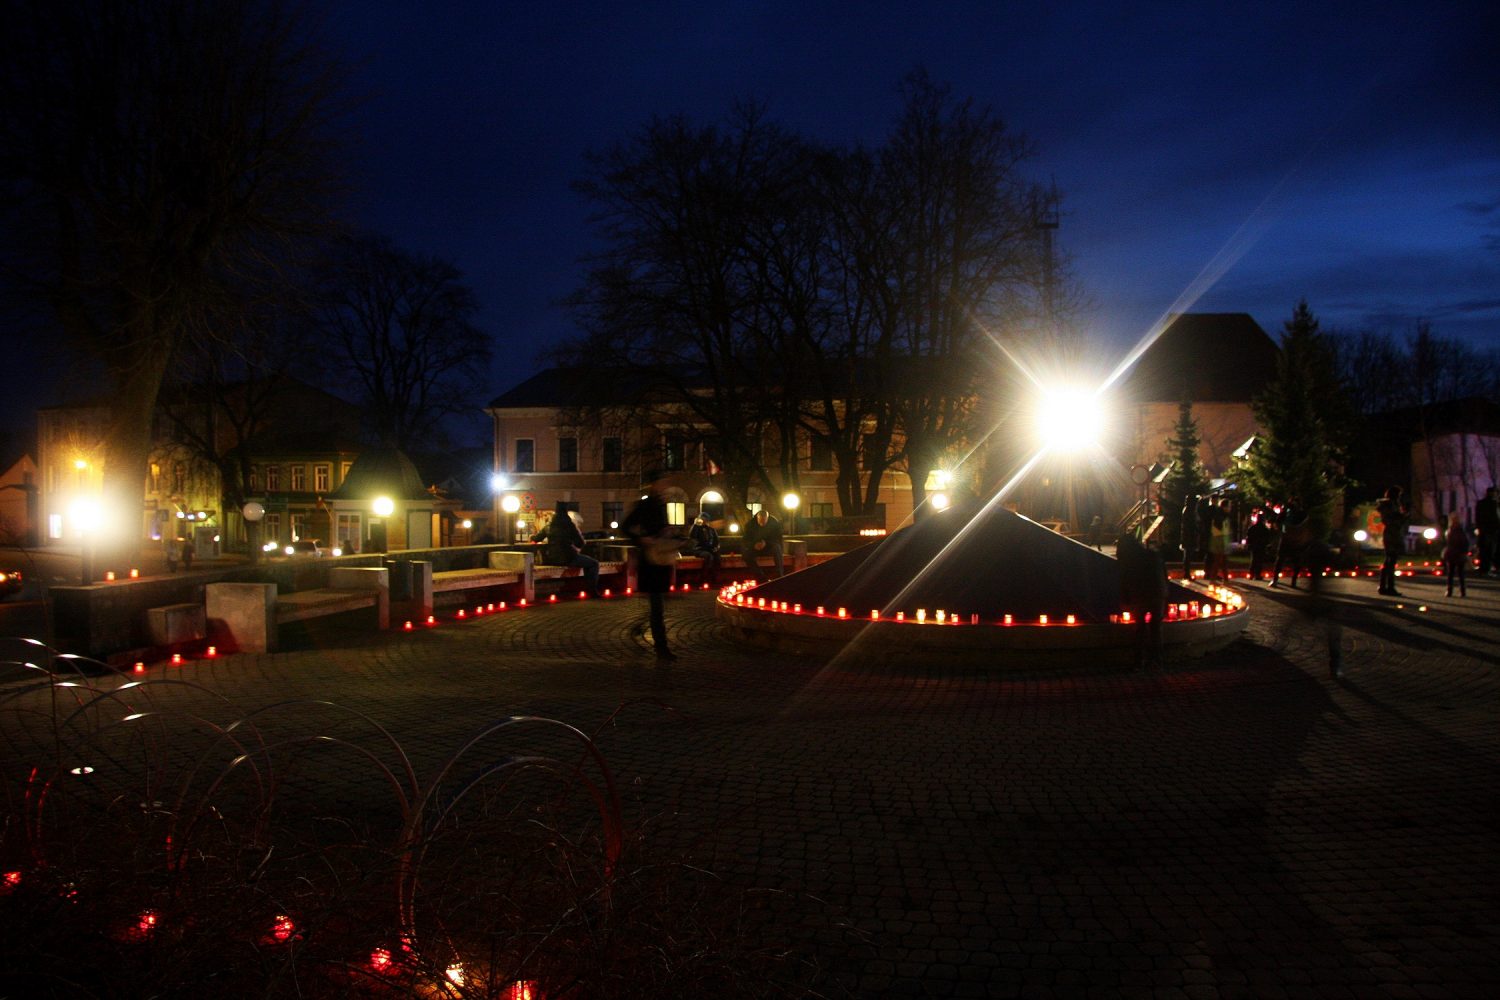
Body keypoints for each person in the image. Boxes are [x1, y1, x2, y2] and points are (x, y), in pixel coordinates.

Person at [622, 472, 677, 660]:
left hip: (661, 560)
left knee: (659, 604)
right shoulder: (644, 505)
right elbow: (625, 527)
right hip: (650, 561)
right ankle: (662, 648)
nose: (665, 487)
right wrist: (641, 539)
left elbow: (659, 528)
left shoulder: (662, 505)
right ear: (654, 485)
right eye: (663, 483)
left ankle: (641, 627)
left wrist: (667, 531)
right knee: (657, 605)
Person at [1117, 530, 1167, 668]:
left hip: (1140, 596)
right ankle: (1157, 659)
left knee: (1140, 627)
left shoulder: (1129, 560)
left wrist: (1125, 599)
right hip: (1158, 594)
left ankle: (1139, 660)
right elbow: (1164, 575)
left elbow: (1125, 581)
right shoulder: (1153, 555)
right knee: (1156, 628)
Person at [530, 501, 600, 596]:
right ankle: (592, 590)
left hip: (552, 558)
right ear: (566, 512)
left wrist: (532, 539)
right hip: (568, 558)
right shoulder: (569, 525)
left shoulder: (549, 525)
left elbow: (536, 539)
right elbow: (580, 543)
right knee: (593, 564)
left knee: (588, 562)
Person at [1376, 485, 1408, 596]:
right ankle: (1389, 587)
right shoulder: (1390, 506)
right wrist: (1402, 517)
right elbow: (1391, 520)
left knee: (1389, 560)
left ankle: (1383, 586)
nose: (1400, 497)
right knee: (1391, 560)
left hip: (1393, 533)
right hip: (1391, 533)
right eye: (1398, 495)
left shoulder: (1391, 505)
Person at [743, 508, 784, 581]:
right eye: (760, 521)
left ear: (767, 518)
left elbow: (778, 539)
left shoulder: (774, 523)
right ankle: (760, 577)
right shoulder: (750, 524)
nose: (762, 523)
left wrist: (766, 543)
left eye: (764, 521)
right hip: (755, 548)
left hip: (769, 547)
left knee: (777, 548)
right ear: (757, 518)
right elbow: (745, 540)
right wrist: (754, 545)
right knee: (746, 554)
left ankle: (779, 574)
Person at [688, 515, 721, 588]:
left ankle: (714, 578)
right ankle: (704, 578)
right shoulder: (697, 528)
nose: (704, 521)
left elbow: (717, 541)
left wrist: (716, 548)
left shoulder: (711, 529)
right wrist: (695, 525)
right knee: (708, 556)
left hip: (710, 550)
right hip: (699, 549)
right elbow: (692, 536)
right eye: (702, 519)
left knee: (717, 557)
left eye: (705, 519)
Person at [1442, 512, 1470, 598]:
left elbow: (1449, 542)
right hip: (1457, 554)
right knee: (1458, 573)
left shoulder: (1451, 531)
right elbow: (1465, 543)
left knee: (1452, 573)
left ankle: (1451, 591)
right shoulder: (1459, 531)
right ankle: (1461, 591)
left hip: (1453, 553)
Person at [1475, 486, 1499, 576]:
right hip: (1489, 530)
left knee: (1488, 550)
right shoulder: (1491, 504)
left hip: (1488, 530)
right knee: (1488, 550)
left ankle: (1485, 568)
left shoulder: (1487, 503)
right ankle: (1485, 569)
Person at [1246, 508, 1274, 582]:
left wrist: (1249, 544)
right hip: (1261, 546)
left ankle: (1251, 574)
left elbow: (1249, 537)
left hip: (1254, 546)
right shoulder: (1265, 529)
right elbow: (1267, 538)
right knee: (1259, 561)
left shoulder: (1252, 528)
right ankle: (1257, 574)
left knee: (1254, 560)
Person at [1206, 498, 1231, 581]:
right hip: (1219, 541)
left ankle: (1225, 579)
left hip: (1221, 540)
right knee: (1218, 561)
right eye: (1229, 506)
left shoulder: (1222, 515)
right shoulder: (1220, 516)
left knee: (1222, 561)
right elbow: (1219, 529)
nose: (1230, 508)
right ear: (1224, 507)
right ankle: (1213, 580)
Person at [1178, 494, 1200, 581]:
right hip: (1189, 536)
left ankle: (1186, 573)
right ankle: (1186, 573)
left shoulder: (1188, 510)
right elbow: (1190, 524)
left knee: (1187, 555)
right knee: (1187, 555)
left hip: (1188, 535)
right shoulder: (1189, 511)